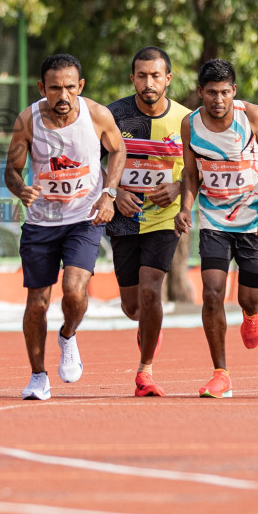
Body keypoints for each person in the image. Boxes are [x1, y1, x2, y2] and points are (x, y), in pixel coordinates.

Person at [3, 53, 127, 401]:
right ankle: (38, 376)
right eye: (55, 88)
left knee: (74, 291)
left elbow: (118, 150)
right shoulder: (28, 120)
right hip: (41, 222)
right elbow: (11, 170)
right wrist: (20, 188)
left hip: (83, 218)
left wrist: (109, 195)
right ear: (42, 88)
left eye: (70, 87)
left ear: (80, 87)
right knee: (38, 303)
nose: (63, 95)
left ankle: (68, 335)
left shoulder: (97, 115)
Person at [174, 59, 258, 399]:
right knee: (211, 292)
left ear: (233, 92)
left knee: (248, 297)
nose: (217, 100)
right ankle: (221, 373)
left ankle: (253, 312)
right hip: (213, 219)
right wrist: (185, 207)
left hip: (253, 219)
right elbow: (191, 173)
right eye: (211, 93)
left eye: (224, 92)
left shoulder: (251, 117)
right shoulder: (190, 125)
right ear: (200, 93)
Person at [104, 46, 187, 397]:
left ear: (168, 78)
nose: (148, 83)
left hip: (163, 217)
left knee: (152, 290)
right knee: (132, 306)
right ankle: (147, 326)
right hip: (124, 215)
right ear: (132, 78)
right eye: (142, 75)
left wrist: (180, 186)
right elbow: (91, 161)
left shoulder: (186, 121)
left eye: (156, 76)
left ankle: (145, 371)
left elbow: (201, 167)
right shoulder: (113, 116)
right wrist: (113, 192)